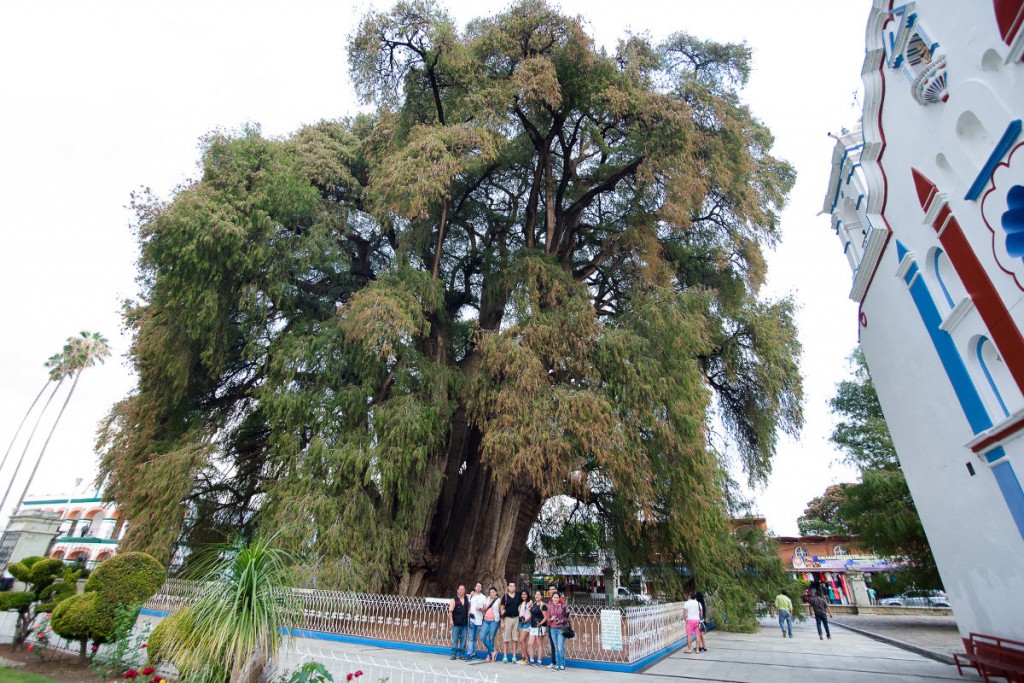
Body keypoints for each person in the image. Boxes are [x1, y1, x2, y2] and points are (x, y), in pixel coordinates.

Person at [546, 590, 570, 671]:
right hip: (553, 629)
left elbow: (567, 618)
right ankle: (557, 664)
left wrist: (560, 621)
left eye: (557, 597)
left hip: (561, 629)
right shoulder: (549, 606)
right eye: (554, 597)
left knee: (560, 648)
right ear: (552, 598)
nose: (555, 599)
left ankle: (562, 664)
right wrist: (551, 619)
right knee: (556, 648)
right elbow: (548, 618)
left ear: (559, 598)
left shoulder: (563, 606)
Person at [499, 581, 523, 662]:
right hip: (507, 619)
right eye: (511, 586)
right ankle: (505, 655)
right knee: (506, 638)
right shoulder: (505, 597)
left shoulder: (518, 596)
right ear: (508, 587)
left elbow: (525, 600)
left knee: (514, 638)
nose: (512, 587)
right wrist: (502, 622)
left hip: (516, 618)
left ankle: (514, 656)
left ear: (515, 587)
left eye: (513, 586)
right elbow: (501, 610)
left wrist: (530, 602)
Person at [527, 589, 548, 666]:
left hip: (540, 627)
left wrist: (540, 623)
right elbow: (531, 614)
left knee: (539, 644)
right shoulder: (534, 604)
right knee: (530, 643)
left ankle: (539, 661)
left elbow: (545, 617)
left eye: (539, 595)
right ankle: (531, 660)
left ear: (542, 596)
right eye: (536, 594)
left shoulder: (543, 606)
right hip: (533, 626)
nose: (537, 596)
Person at [467, 581, 487, 660]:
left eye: (480, 586)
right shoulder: (471, 596)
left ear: (481, 588)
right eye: (477, 586)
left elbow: (485, 608)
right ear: (475, 587)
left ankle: (473, 652)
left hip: (479, 619)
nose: (478, 587)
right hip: (471, 619)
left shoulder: (483, 597)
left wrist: (480, 609)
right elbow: (468, 605)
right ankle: (469, 653)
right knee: (471, 636)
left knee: (475, 637)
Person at [449, 584, 470, 660]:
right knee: (455, 639)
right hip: (456, 623)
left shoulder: (466, 598)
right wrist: (451, 620)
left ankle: (461, 654)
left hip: (464, 623)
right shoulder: (454, 599)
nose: (461, 591)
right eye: (460, 589)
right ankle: (453, 654)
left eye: (463, 589)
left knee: (463, 639)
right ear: (457, 590)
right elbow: (450, 611)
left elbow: (468, 607)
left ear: (464, 591)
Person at [481, 586, 501, 661]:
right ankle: (493, 652)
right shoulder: (487, 599)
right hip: (486, 620)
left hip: (494, 620)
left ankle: (489, 656)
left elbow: (501, 610)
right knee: (483, 637)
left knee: (491, 638)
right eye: (490, 592)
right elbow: (484, 608)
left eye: (493, 592)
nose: (492, 593)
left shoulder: (499, 600)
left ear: (496, 592)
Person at [516, 589, 532, 665]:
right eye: (522, 594)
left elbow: (531, 614)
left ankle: (526, 658)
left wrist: (526, 620)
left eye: (525, 594)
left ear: (527, 595)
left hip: (527, 623)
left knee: (521, 640)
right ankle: (523, 657)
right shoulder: (520, 603)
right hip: (520, 623)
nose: (524, 596)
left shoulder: (530, 603)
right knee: (523, 642)